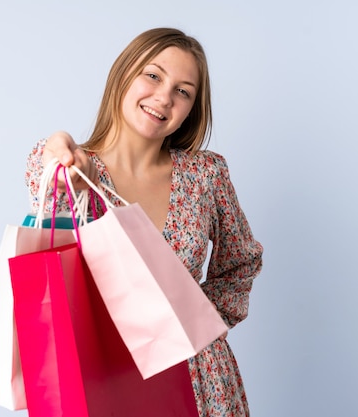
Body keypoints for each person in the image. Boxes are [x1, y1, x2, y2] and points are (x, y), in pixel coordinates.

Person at [25, 27, 263, 417]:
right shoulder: (75, 169)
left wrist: (193, 324)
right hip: (104, 381)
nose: (164, 97)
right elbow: (47, 191)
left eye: (183, 91)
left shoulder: (206, 174)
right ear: (124, 74)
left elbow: (242, 262)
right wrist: (62, 159)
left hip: (198, 381)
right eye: (153, 75)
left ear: (191, 109)